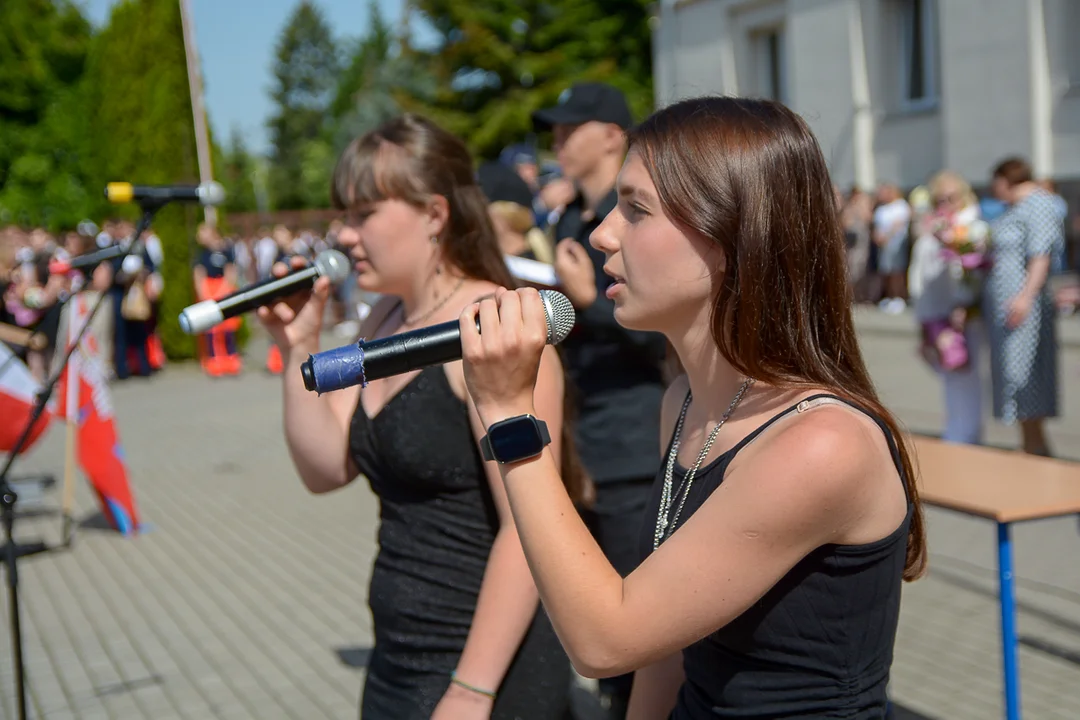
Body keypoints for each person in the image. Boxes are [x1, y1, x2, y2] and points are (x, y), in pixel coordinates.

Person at [455, 97, 927, 720]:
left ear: (731, 235)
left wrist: (510, 413)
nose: (602, 234)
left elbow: (605, 641)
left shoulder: (821, 443)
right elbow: (662, 645)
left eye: (636, 210)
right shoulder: (685, 400)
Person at [257, 114, 582, 719]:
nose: (344, 235)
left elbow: (529, 529)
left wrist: (471, 690)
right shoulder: (383, 320)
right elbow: (325, 468)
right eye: (343, 216)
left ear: (434, 214)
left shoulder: (493, 328)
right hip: (397, 659)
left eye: (363, 214)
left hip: (487, 667)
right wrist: (296, 347)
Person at [532, 81, 669, 718]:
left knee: (636, 645)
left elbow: (669, 346)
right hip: (578, 445)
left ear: (612, 134)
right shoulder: (565, 223)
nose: (558, 141)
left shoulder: (643, 225)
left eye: (570, 128)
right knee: (582, 616)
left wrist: (589, 304)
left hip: (635, 448)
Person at [984, 157, 1062, 456]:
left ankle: (1036, 445)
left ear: (1006, 179)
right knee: (1011, 371)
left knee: (1024, 372)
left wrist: (1026, 296)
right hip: (1007, 305)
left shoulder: (1038, 203)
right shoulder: (1013, 209)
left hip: (1022, 304)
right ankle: (1031, 443)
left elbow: (1040, 254)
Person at [907, 171, 989, 445]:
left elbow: (974, 270)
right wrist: (922, 320)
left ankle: (966, 433)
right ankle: (958, 428)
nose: (945, 203)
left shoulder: (973, 227)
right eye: (939, 199)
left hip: (966, 315)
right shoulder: (932, 229)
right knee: (950, 374)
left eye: (951, 197)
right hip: (937, 314)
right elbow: (919, 275)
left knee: (966, 374)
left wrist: (966, 303)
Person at [193, 223, 242, 377]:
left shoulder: (226, 250)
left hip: (223, 288)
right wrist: (203, 293)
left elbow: (230, 271)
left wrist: (226, 288)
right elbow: (198, 273)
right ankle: (214, 362)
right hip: (209, 289)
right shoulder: (202, 253)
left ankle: (231, 360)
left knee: (227, 328)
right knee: (212, 330)